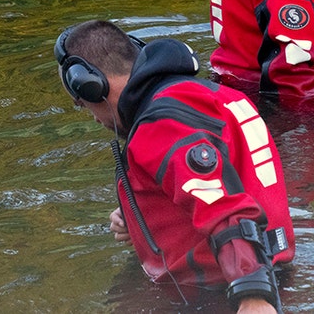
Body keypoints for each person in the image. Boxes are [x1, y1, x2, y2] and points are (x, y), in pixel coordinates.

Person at [53, 20, 294, 313]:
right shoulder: (215, 96)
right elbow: (233, 179)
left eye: (83, 104)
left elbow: (225, 208)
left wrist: (253, 296)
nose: (92, 117)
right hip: (274, 274)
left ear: (93, 86)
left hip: (220, 296)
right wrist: (140, 213)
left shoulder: (162, 125)